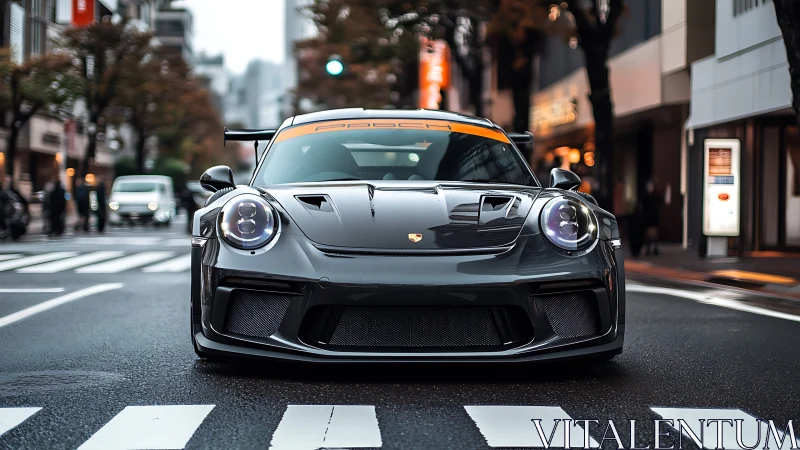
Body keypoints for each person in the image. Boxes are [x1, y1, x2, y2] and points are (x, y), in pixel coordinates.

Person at [642, 180, 663, 256]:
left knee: (654, 233)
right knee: (648, 234)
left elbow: (660, 204)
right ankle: (648, 248)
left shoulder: (656, 196)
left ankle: (655, 248)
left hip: (654, 217)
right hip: (648, 217)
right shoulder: (646, 196)